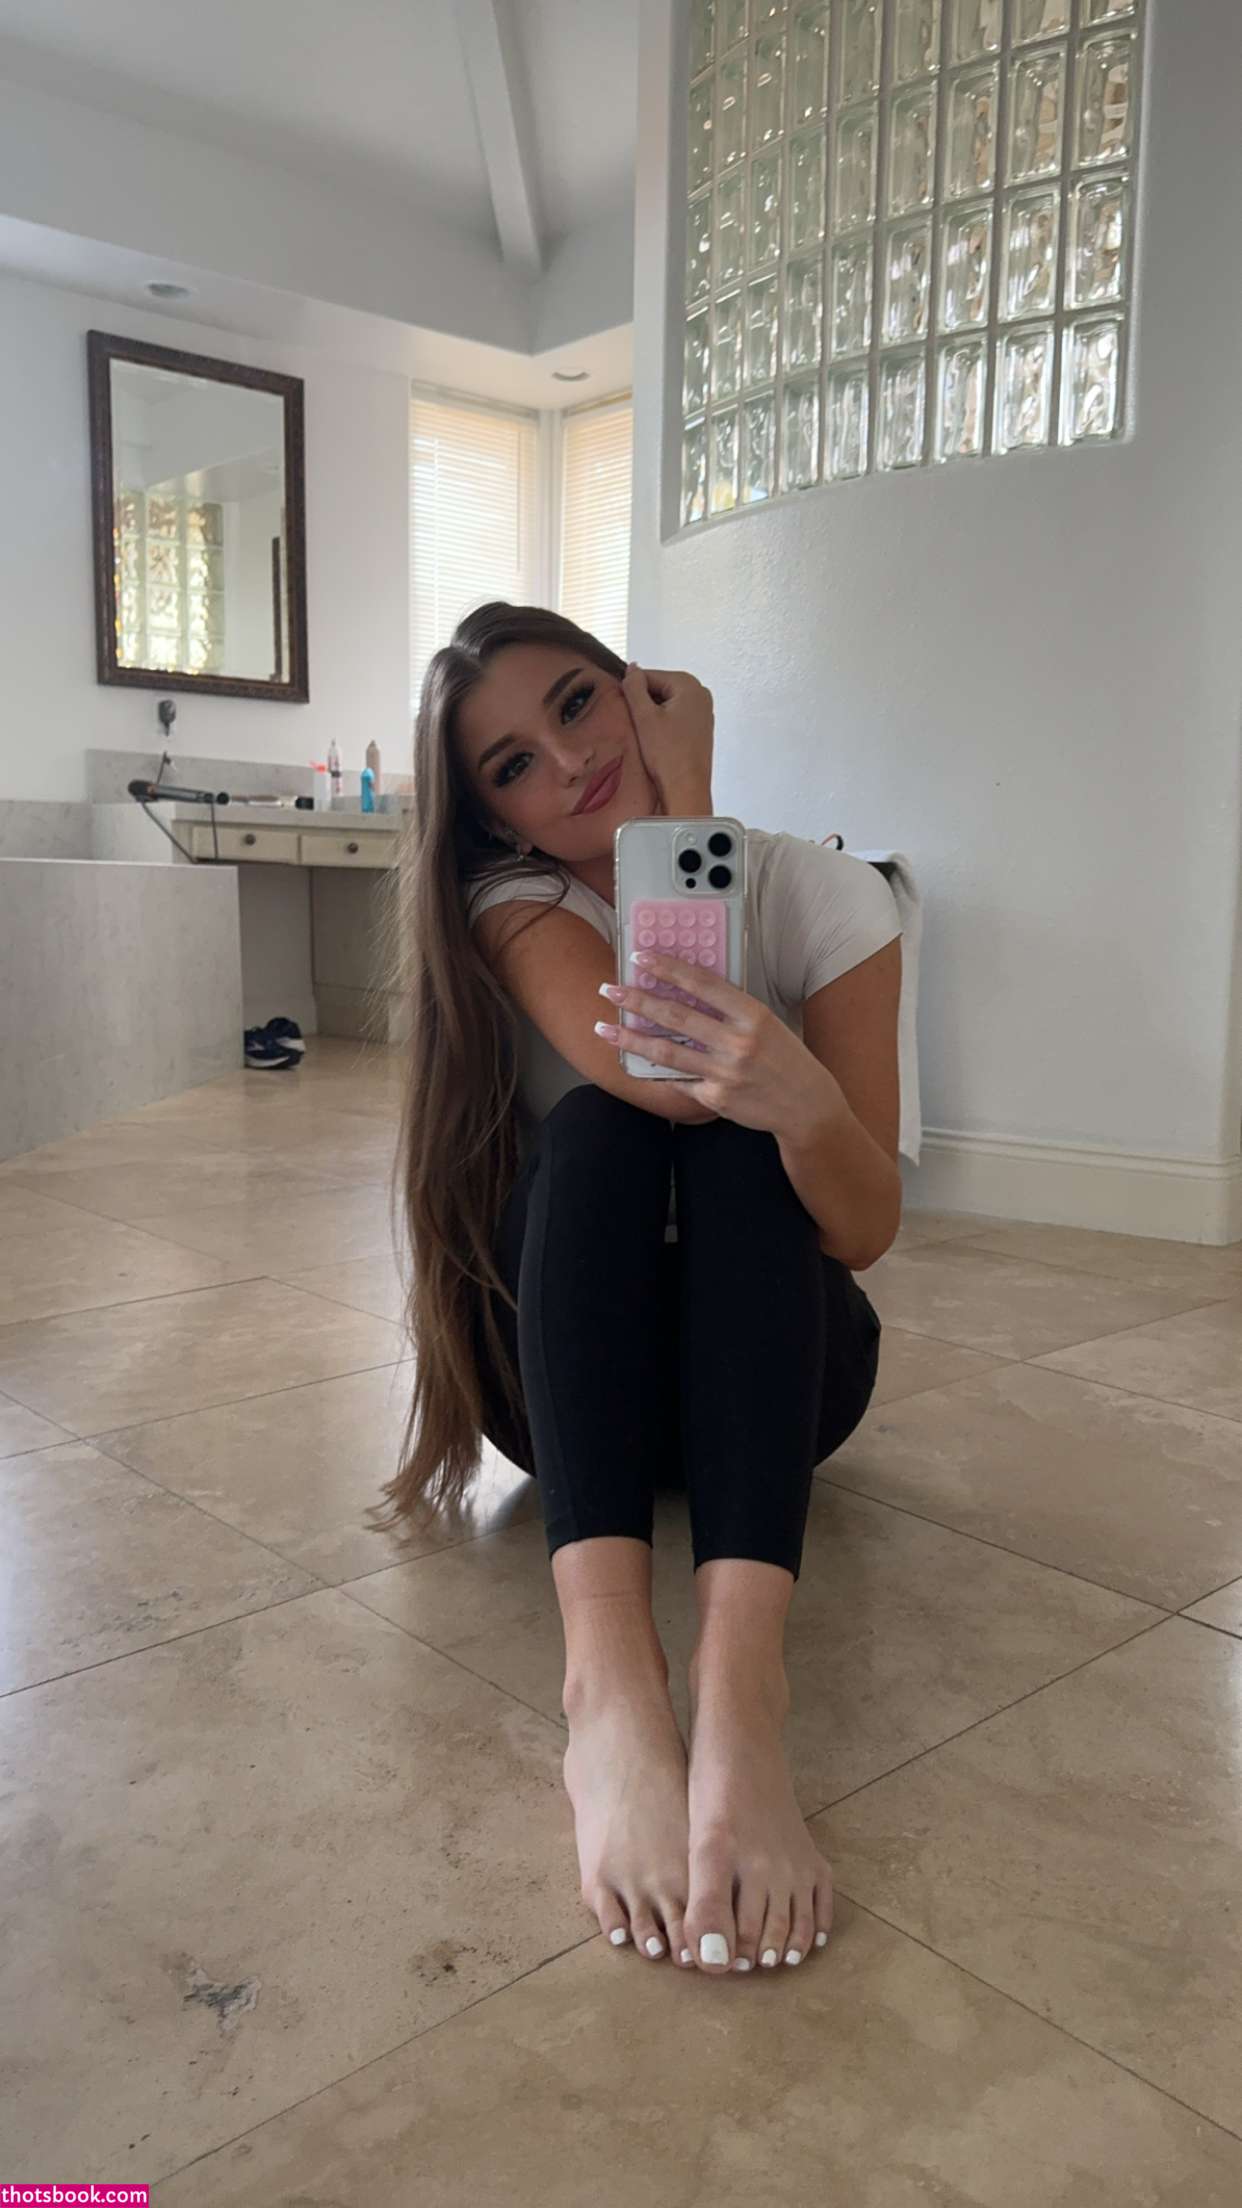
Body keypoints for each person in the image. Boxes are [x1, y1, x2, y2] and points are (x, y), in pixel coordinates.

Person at [370, 602, 904, 1981]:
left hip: (781, 1390)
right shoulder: (517, 908)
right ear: (492, 820)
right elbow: (663, 1069)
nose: (566, 763)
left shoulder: (830, 897)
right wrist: (688, 807)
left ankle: (741, 1696)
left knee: (746, 1140)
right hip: (565, 1400)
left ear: (639, 689)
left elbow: (863, 1231)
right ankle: (607, 1691)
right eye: (511, 767)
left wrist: (802, 1104)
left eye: (576, 703)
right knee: (618, 1127)